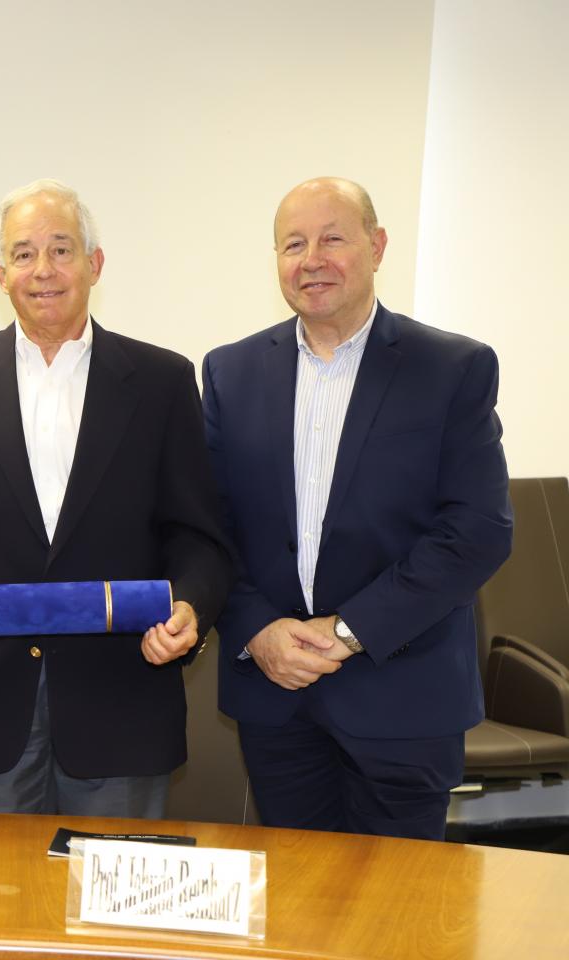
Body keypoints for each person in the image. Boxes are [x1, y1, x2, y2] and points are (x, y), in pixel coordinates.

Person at [0, 179, 233, 817]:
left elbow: (197, 534)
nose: (43, 269)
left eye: (62, 250)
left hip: (120, 698)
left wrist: (190, 607)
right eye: (24, 253)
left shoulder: (162, 381)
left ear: (95, 263)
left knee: (112, 883)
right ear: (0, 274)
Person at [202, 177, 513, 840]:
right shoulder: (231, 372)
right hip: (277, 696)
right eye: (293, 244)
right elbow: (211, 528)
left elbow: (478, 530)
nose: (312, 259)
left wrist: (347, 632)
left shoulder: (451, 368)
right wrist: (258, 630)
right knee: (296, 895)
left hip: (404, 696)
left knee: (400, 900)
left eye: (333, 239)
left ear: (377, 246)